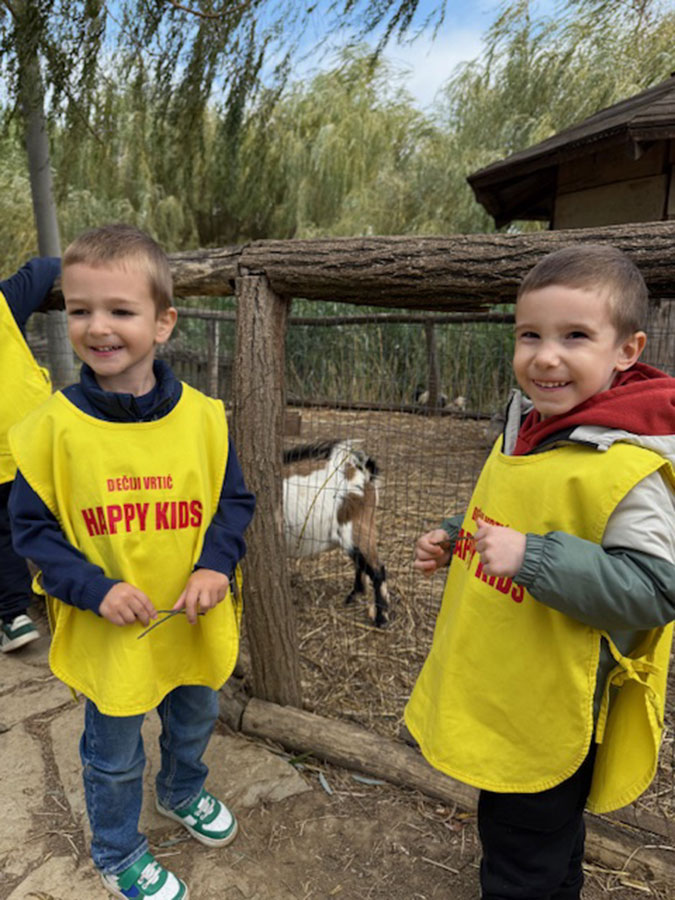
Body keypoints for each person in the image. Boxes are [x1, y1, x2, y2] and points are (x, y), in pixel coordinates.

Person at [405, 244, 675, 900]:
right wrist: (457, 537)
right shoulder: (532, 423)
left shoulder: (628, 465)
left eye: (574, 336)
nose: (545, 356)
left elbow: (655, 589)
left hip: (554, 704)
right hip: (510, 685)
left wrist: (533, 558)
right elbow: (521, 510)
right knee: (540, 842)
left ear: (626, 349)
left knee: (520, 857)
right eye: (529, 335)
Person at [8, 224, 255, 900]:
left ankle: (181, 789)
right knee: (113, 754)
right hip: (112, 632)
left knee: (194, 717)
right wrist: (94, 589)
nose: (98, 327)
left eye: (120, 310)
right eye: (80, 310)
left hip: (192, 619)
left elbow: (233, 503)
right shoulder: (52, 428)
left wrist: (214, 566)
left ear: (163, 322)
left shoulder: (204, 418)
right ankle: (118, 851)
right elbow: (32, 530)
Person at [0, 255, 60, 652]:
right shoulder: (5, 300)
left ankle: (14, 616)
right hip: (32, 436)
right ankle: (77, 593)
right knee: (57, 516)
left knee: (3, 531)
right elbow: (48, 268)